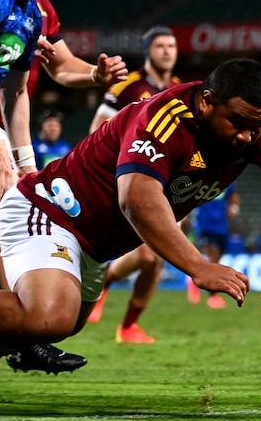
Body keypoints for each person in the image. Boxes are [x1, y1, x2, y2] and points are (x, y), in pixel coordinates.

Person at [0, 58, 261, 377]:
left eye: (257, 125)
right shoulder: (162, 119)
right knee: (49, 318)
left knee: (62, 323)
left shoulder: (250, 130)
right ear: (206, 102)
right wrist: (198, 266)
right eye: (238, 123)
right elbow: (138, 200)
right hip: (50, 210)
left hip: (93, 243)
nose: (248, 137)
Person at [0, 0, 127, 374]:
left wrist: (25, 165)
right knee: (4, 227)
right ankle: (26, 333)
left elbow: (18, 92)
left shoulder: (32, 12)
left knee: (2, 227)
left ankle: (24, 333)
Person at [87, 26, 181, 342]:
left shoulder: (180, 89)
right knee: (148, 254)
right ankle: (108, 290)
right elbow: (98, 128)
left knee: (158, 256)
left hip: (166, 182)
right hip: (126, 176)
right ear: (148, 52)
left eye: (172, 45)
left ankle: (128, 325)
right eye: (161, 46)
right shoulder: (128, 85)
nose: (167, 51)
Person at [184, 183, 241, 309]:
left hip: (221, 225)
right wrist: (187, 215)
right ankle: (212, 295)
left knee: (218, 256)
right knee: (212, 255)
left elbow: (234, 196)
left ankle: (193, 279)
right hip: (204, 224)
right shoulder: (205, 176)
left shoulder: (228, 180)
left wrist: (234, 208)